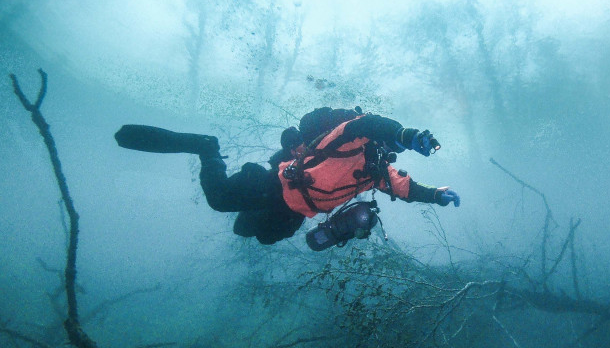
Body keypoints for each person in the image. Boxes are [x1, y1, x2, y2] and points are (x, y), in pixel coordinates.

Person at [114, 107, 460, 250]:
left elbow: (404, 186)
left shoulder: (377, 170)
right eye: (386, 141)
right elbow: (367, 123)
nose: (385, 148)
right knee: (219, 200)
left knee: (259, 237)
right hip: (276, 186)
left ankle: (251, 214)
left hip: (295, 212)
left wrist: (435, 195)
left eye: (389, 145)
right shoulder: (345, 137)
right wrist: (408, 134)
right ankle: (206, 146)